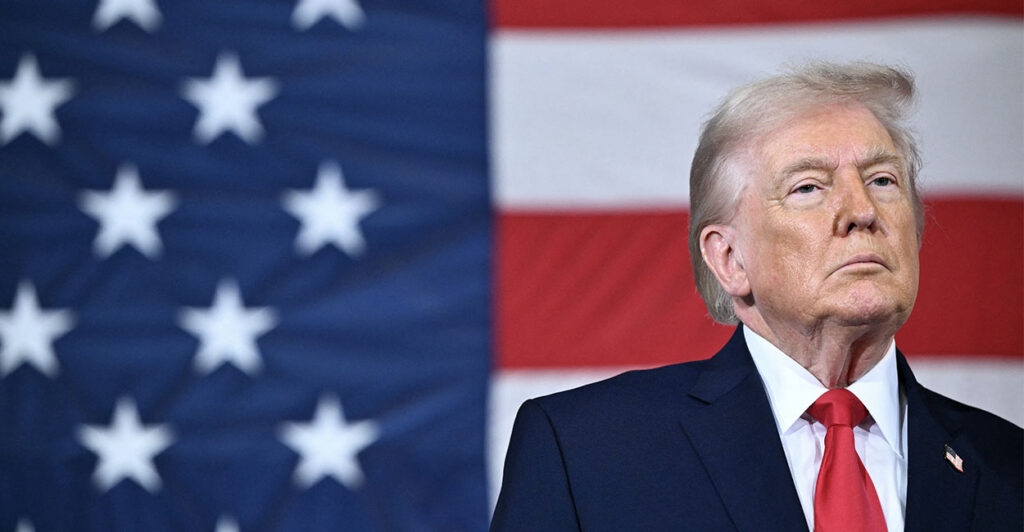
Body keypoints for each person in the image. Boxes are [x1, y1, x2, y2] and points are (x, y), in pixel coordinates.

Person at [490, 62, 1023, 531]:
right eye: (808, 187)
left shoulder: (1010, 466)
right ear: (729, 259)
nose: (862, 211)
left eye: (883, 180)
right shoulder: (586, 450)